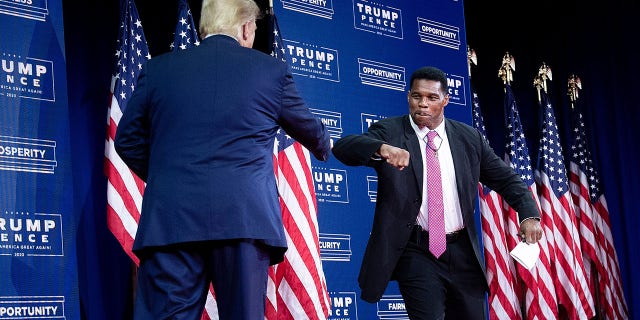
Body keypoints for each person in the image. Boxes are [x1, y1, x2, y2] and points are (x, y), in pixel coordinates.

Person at [114, 0, 331, 318]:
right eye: (254, 30)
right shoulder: (270, 71)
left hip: (171, 220)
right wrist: (327, 144)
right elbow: (315, 136)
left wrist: (169, 176)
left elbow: (127, 140)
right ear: (245, 28)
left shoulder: (157, 70)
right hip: (243, 221)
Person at [331, 66, 542, 319]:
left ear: (445, 100)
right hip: (417, 251)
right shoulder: (391, 132)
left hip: (462, 250)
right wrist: (381, 148)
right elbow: (344, 148)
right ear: (408, 97)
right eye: (417, 97)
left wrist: (529, 215)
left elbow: (507, 180)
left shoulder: (469, 138)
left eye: (431, 98)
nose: (423, 104)